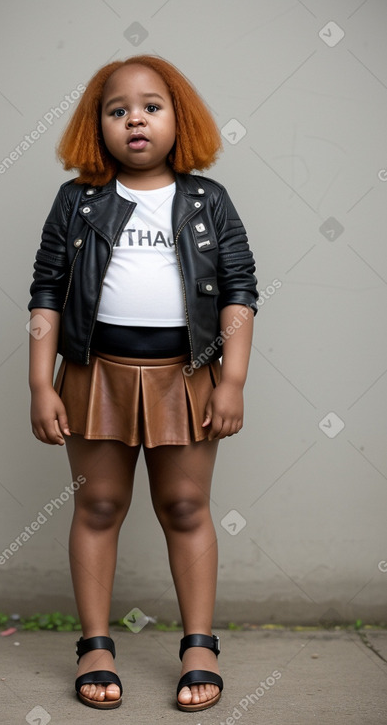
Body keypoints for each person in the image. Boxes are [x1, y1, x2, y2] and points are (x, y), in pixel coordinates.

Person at [28, 55, 258, 713]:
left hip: (185, 374)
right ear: (94, 126)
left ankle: (198, 646)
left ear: (176, 120)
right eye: (116, 108)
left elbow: (239, 290)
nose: (134, 117)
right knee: (98, 506)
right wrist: (39, 385)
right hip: (93, 371)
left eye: (151, 106)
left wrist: (231, 379)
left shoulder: (206, 201)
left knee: (185, 507)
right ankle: (96, 644)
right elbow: (46, 292)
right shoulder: (77, 200)